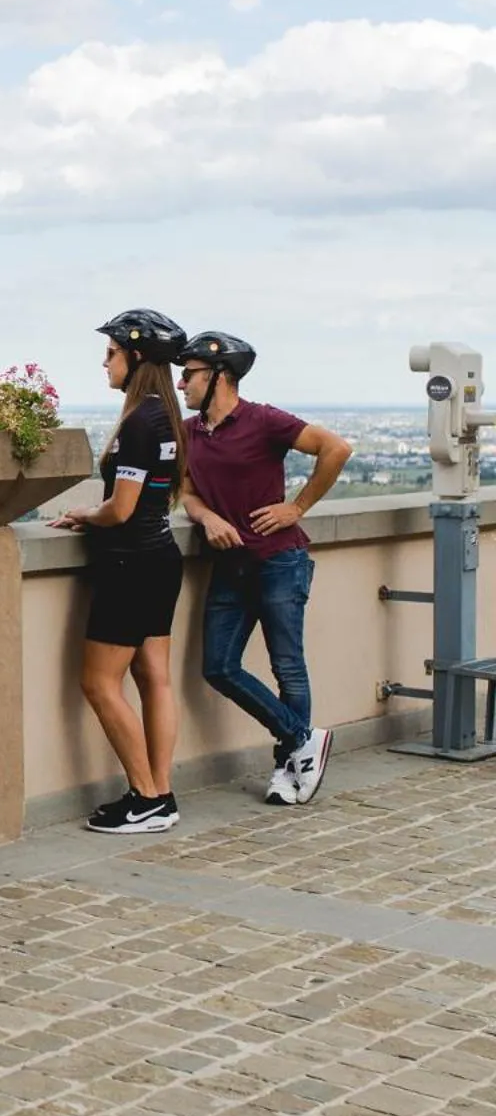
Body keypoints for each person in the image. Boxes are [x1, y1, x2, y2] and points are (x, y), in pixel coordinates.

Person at [176, 331, 352, 806]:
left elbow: (335, 449)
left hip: (280, 561)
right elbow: (188, 493)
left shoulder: (263, 420)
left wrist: (296, 507)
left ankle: (287, 769)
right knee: (218, 666)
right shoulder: (191, 432)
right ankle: (302, 741)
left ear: (220, 376)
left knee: (288, 669)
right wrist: (207, 516)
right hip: (230, 567)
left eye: (188, 374)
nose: (180, 384)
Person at [52, 309, 188, 835]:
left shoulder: (139, 423)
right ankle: (162, 792)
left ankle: (146, 797)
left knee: (98, 683)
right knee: (154, 678)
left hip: (130, 563)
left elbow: (121, 509)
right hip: (161, 559)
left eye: (111, 352)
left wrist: (86, 513)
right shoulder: (168, 418)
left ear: (135, 357)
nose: (104, 362)